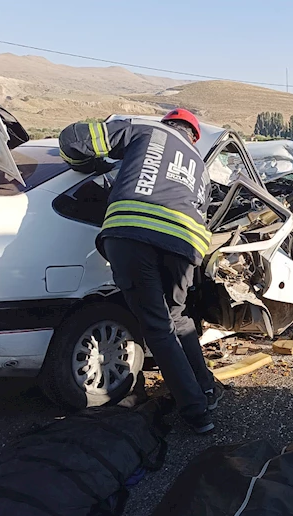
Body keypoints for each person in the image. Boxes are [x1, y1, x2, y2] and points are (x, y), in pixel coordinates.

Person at [59, 109, 224, 435]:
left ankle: (197, 413)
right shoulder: (200, 168)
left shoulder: (145, 131)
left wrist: (84, 165)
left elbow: (74, 138)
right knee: (177, 318)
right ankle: (207, 388)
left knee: (157, 327)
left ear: (167, 123)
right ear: (194, 137)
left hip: (133, 235)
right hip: (184, 244)